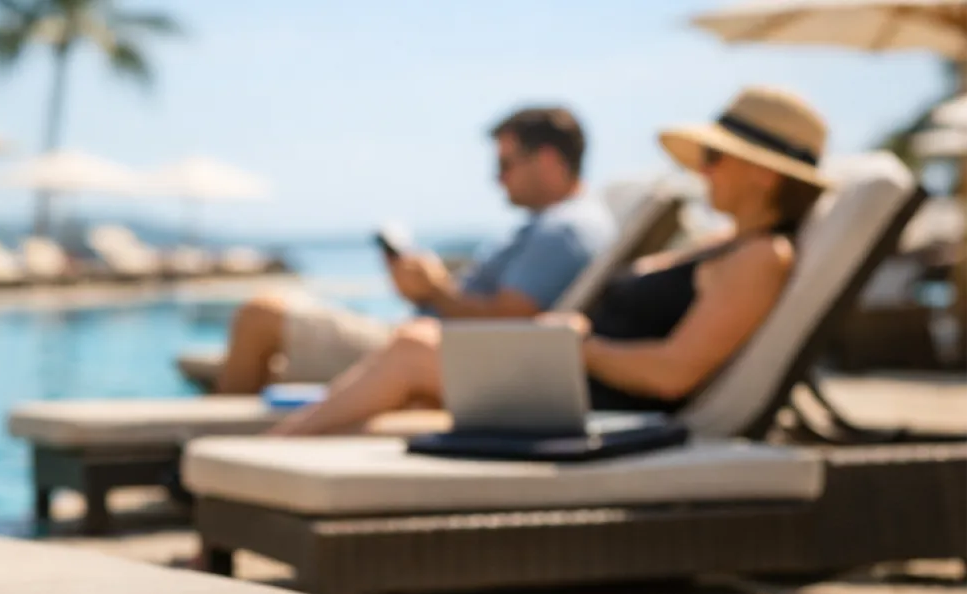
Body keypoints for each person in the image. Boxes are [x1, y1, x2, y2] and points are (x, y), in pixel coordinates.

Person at [262, 85, 828, 438]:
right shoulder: (722, 245)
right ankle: (260, 476)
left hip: (594, 398)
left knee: (414, 347)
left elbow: (673, 373)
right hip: (573, 382)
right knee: (394, 396)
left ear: (764, 172)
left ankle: (259, 459)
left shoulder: (760, 257)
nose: (703, 169)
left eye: (715, 158)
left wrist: (579, 344)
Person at [215, 106, 618, 394]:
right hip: (424, 343)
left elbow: (512, 323)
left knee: (261, 314)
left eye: (506, 164)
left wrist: (435, 291)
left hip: (429, 356)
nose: (497, 179)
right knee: (267, 345)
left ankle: (210, 460)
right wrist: (425, 290)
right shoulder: (561, 225)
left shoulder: (565, 229)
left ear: (547, 161)